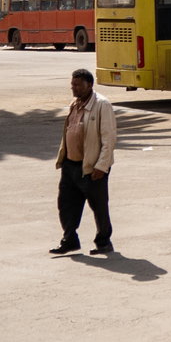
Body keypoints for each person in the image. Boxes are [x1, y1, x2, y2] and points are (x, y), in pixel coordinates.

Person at [50, 69, 117, 255]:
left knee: (99, 206)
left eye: (78, 85)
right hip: (70, 165)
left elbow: (109, 138)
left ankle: (104, 242)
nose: (74, 88)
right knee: (66, 204)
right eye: (72, 84)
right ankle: (70, 240)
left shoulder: (102, 105)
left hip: (91, 167)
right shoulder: (75, 103)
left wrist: (101, 166)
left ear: (90, 85)